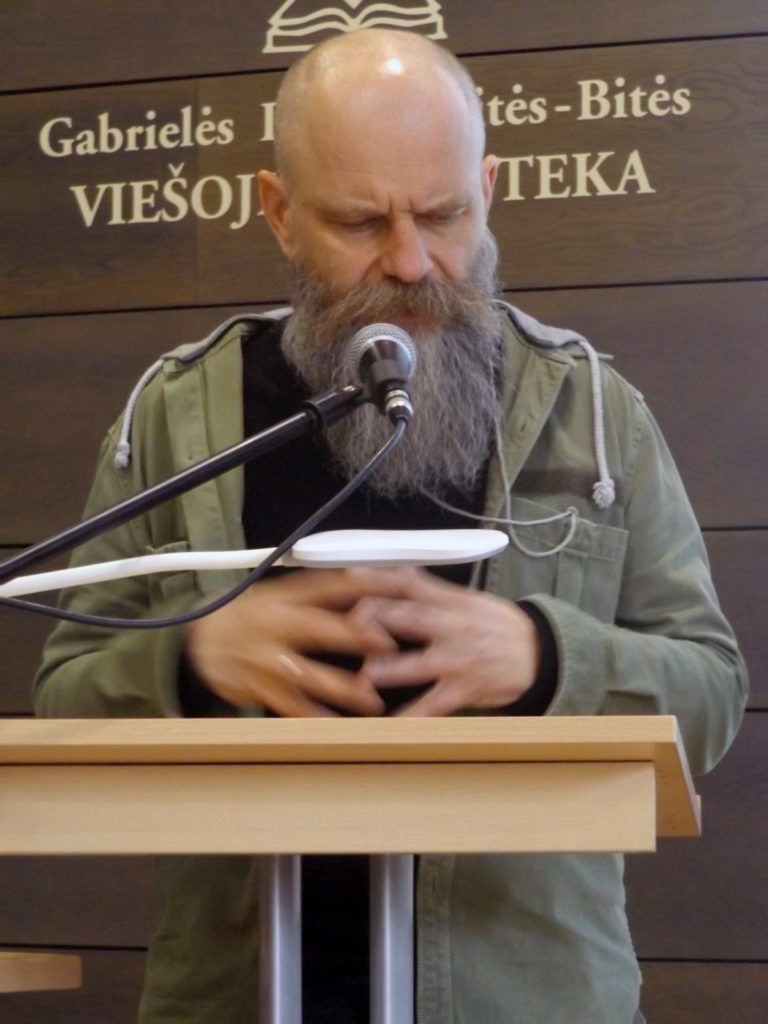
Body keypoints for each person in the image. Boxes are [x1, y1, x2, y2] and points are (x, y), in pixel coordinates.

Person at [35, 28, 747, 1024]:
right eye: (360, 222)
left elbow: (712, 691)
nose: (411, 262)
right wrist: (189, 660)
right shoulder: (177, 415)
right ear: (279, 215)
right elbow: (64, 699)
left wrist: (546, 658)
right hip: (240, 994)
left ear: (488, 190)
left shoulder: (591, 409)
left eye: (445, 214)